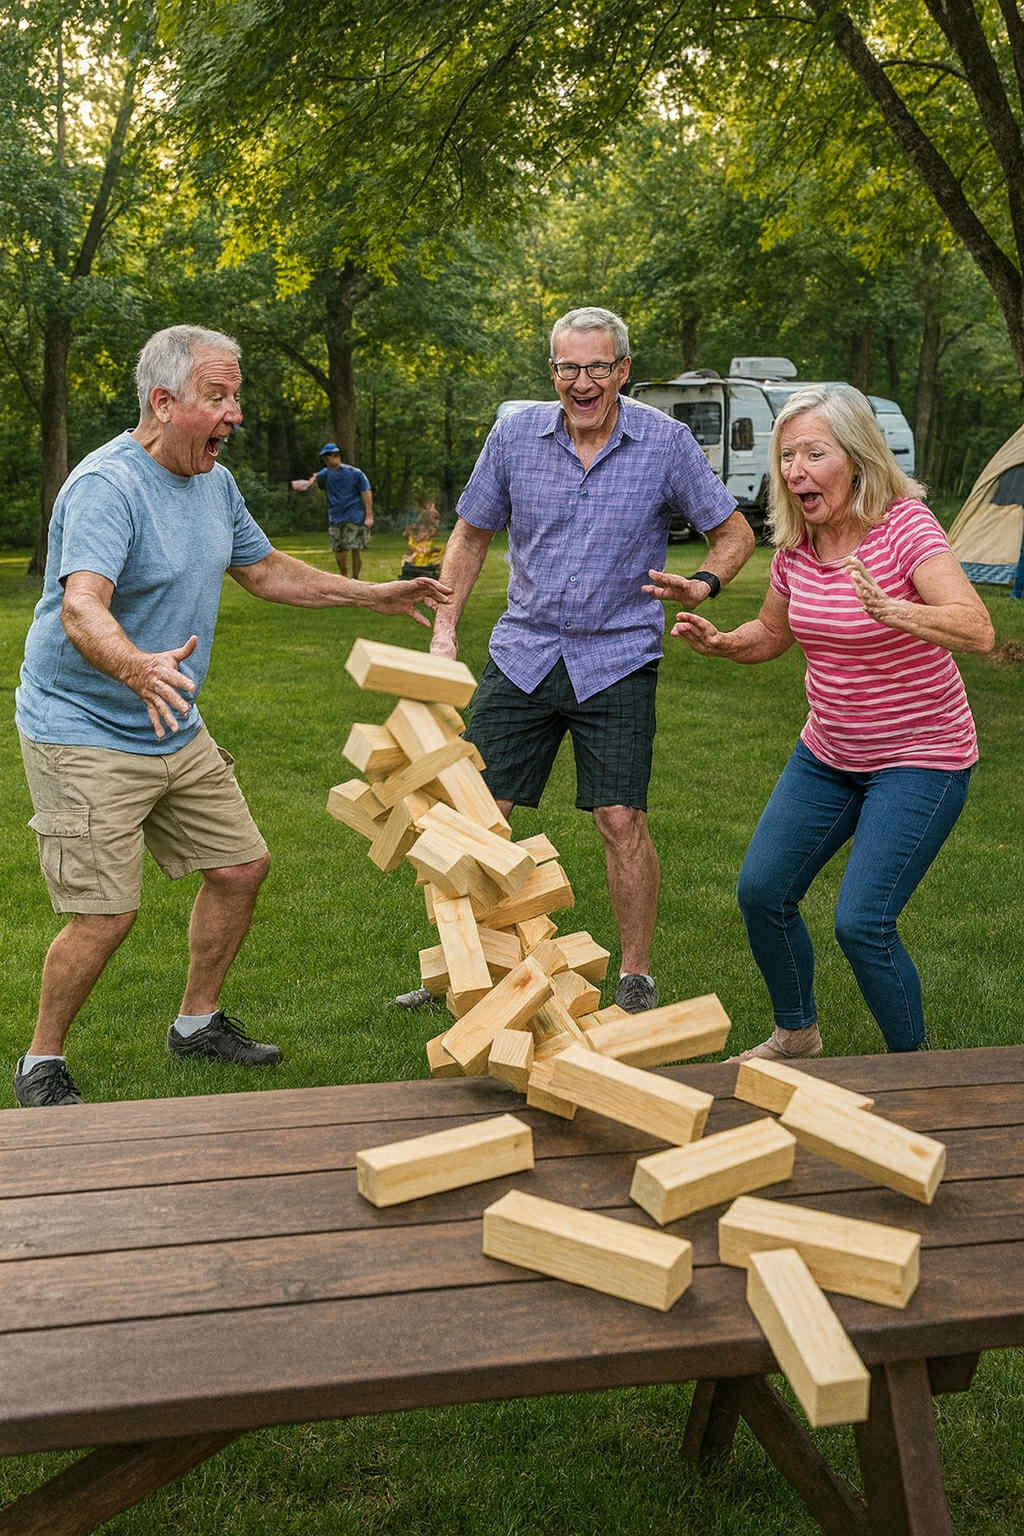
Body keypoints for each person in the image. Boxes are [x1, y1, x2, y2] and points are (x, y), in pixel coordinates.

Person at [13, 324, 450, 1107]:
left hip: (172, 718)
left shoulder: (213, 483)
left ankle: (196, 1024)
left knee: (241, 868)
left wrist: (374, 593)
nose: (235, 413)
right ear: (164, 401)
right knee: (106, 915)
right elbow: (82, 606)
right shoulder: (106, 487)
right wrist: (138, 665)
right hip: (83, 726)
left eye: (235, 396)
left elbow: (266, 569)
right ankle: (41, 1061)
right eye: (218, 396)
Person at [398, 305, 754, 1015]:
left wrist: (706, 582)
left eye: (597, 366)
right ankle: (464, 970)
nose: (581, 381)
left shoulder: (666, 442)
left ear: (623, 370)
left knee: (620, 819)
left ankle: (635, 976)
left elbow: (734, 531)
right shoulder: (514, 435)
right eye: (568, 366)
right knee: (477, 818)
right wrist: (446, 630)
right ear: (552, 371)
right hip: (523, 653)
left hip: (617, 658)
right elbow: (469, 536)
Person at [660, 382, 994, 1060]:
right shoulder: (799, 544)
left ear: (858, 456)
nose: (796, 471)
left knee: (862, 921)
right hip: (830, 751)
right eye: (788, 456)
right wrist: (725, 643)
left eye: (815, 453)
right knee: (762, 891)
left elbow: (977, 628)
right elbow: (773, 633)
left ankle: (916, 1068)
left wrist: (897, 610)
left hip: (921, 756)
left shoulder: (906, 527)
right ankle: (797, 1032)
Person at [292, 444, 373, 578]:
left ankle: (356, 579)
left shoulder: (355, 473)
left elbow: (366, 492)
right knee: (338, 550)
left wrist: (369, 515)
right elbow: (314, 481)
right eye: (328, 456)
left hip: (354, 516)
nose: (331, 458)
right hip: (335, 517)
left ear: (338, 456)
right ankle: (344, 576)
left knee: (355, 549)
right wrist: (305, 484)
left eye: (334, 455)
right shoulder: (325, 474)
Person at [401, 496, 446, 580]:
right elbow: (411, 540)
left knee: (440, 557)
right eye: (436, 518)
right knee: (412, 558)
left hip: (424, 558)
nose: (438, 522)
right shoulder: (421, 529)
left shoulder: (429, 533)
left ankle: (428, 569)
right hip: (417, 557)